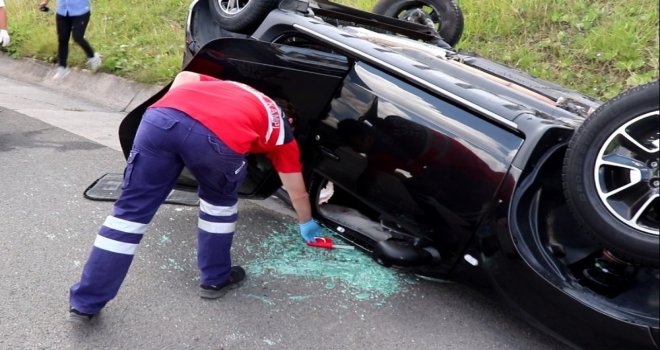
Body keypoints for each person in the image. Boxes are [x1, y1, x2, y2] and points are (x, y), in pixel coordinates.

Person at [68, 71, 324, 322]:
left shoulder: (237, 88)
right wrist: (306, 223)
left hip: (161, 119)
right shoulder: (281, 131)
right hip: (218, 139)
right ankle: (215, 279)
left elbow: (186, 76)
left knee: (128, 215)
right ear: (290, 120)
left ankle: (86, 303)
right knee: (219, 207)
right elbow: (297, 190)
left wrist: (181, 117)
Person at [38, 0, 101, 79]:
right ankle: (62, 68)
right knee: (62, 39)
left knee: (77, 37)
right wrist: (45, 2)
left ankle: (93, 57)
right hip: (62, 11)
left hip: (80, 12)